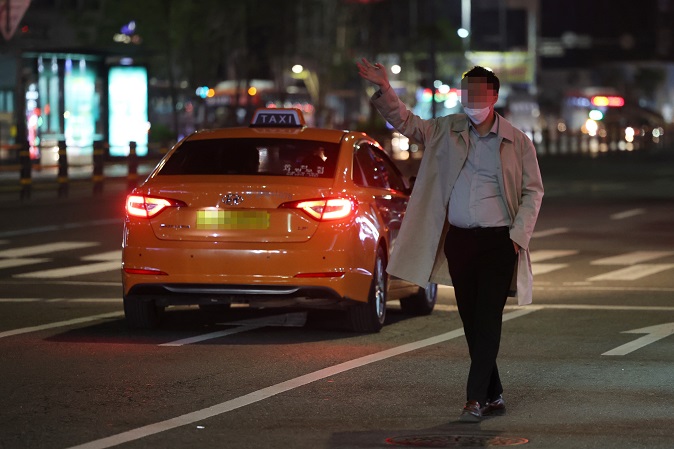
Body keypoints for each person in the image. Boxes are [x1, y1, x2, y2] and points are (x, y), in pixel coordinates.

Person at [357, 58, 544, 422]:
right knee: (472, 320)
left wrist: (517, 238)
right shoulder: (445, 130)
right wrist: (385, 90)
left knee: (488, 319)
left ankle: (474, 399)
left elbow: (532, 192)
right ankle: (494, 394)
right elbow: (407, 123)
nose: (471, 100)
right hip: (459, 242)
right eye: (466, 93)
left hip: (498, 244)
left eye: (479, 93)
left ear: (494, 96)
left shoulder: (516, 141)